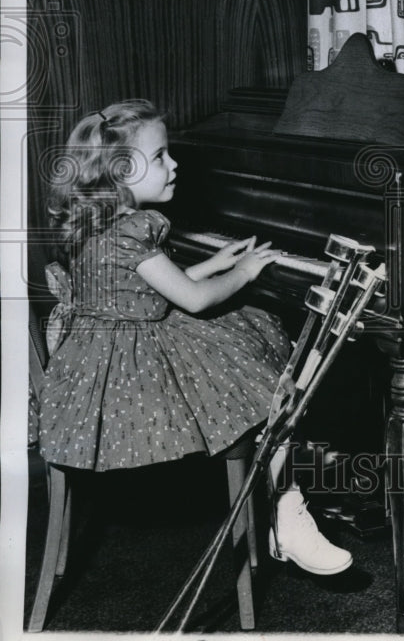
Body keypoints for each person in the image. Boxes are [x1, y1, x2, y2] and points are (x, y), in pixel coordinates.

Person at [37, 98, 351, 576]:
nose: (174, 164)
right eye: (160, 156)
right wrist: (243, 272)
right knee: (271, 383)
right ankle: (287, 509)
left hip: (93, 363)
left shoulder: (96, 224)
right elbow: (196, 300)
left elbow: (142, 287)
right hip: (132, 380)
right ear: (121, 171)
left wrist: (213, 263)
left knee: (261, 373)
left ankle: (284, 495)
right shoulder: (130, 231)